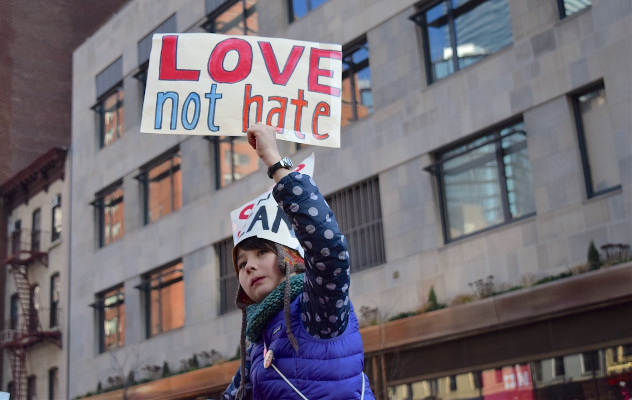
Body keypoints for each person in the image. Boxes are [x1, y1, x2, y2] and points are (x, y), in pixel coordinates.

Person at [222, 123, 374, 400]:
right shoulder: (257, 345)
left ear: (290, 258)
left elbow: (329, 250)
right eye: (241, 264)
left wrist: (275, 162)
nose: (249, 267)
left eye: (261, 254)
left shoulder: (316, 309)